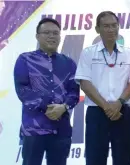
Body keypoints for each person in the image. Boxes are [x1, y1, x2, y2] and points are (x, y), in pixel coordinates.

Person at [75, 11, 130, 165]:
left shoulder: (129, 54)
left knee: (123, 158)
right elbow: (85, 83)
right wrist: (107, 107)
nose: (111, 30)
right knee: (95, 158)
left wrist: (118, 104)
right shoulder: (88, 53)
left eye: (114, 25)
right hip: (97, 112)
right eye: (106, 26)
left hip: (122, 111)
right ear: (97, 29)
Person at [13, 18, 80, 165]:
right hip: (34, 129)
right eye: (47, 32)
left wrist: (62, 107)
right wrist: (49, 106)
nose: (51, 36)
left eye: (55, 33)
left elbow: (74, 93)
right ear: (37, 36)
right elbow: (23, 91)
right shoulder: (25, 60)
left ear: (60, 37)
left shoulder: (69, 63)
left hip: (61, 129)